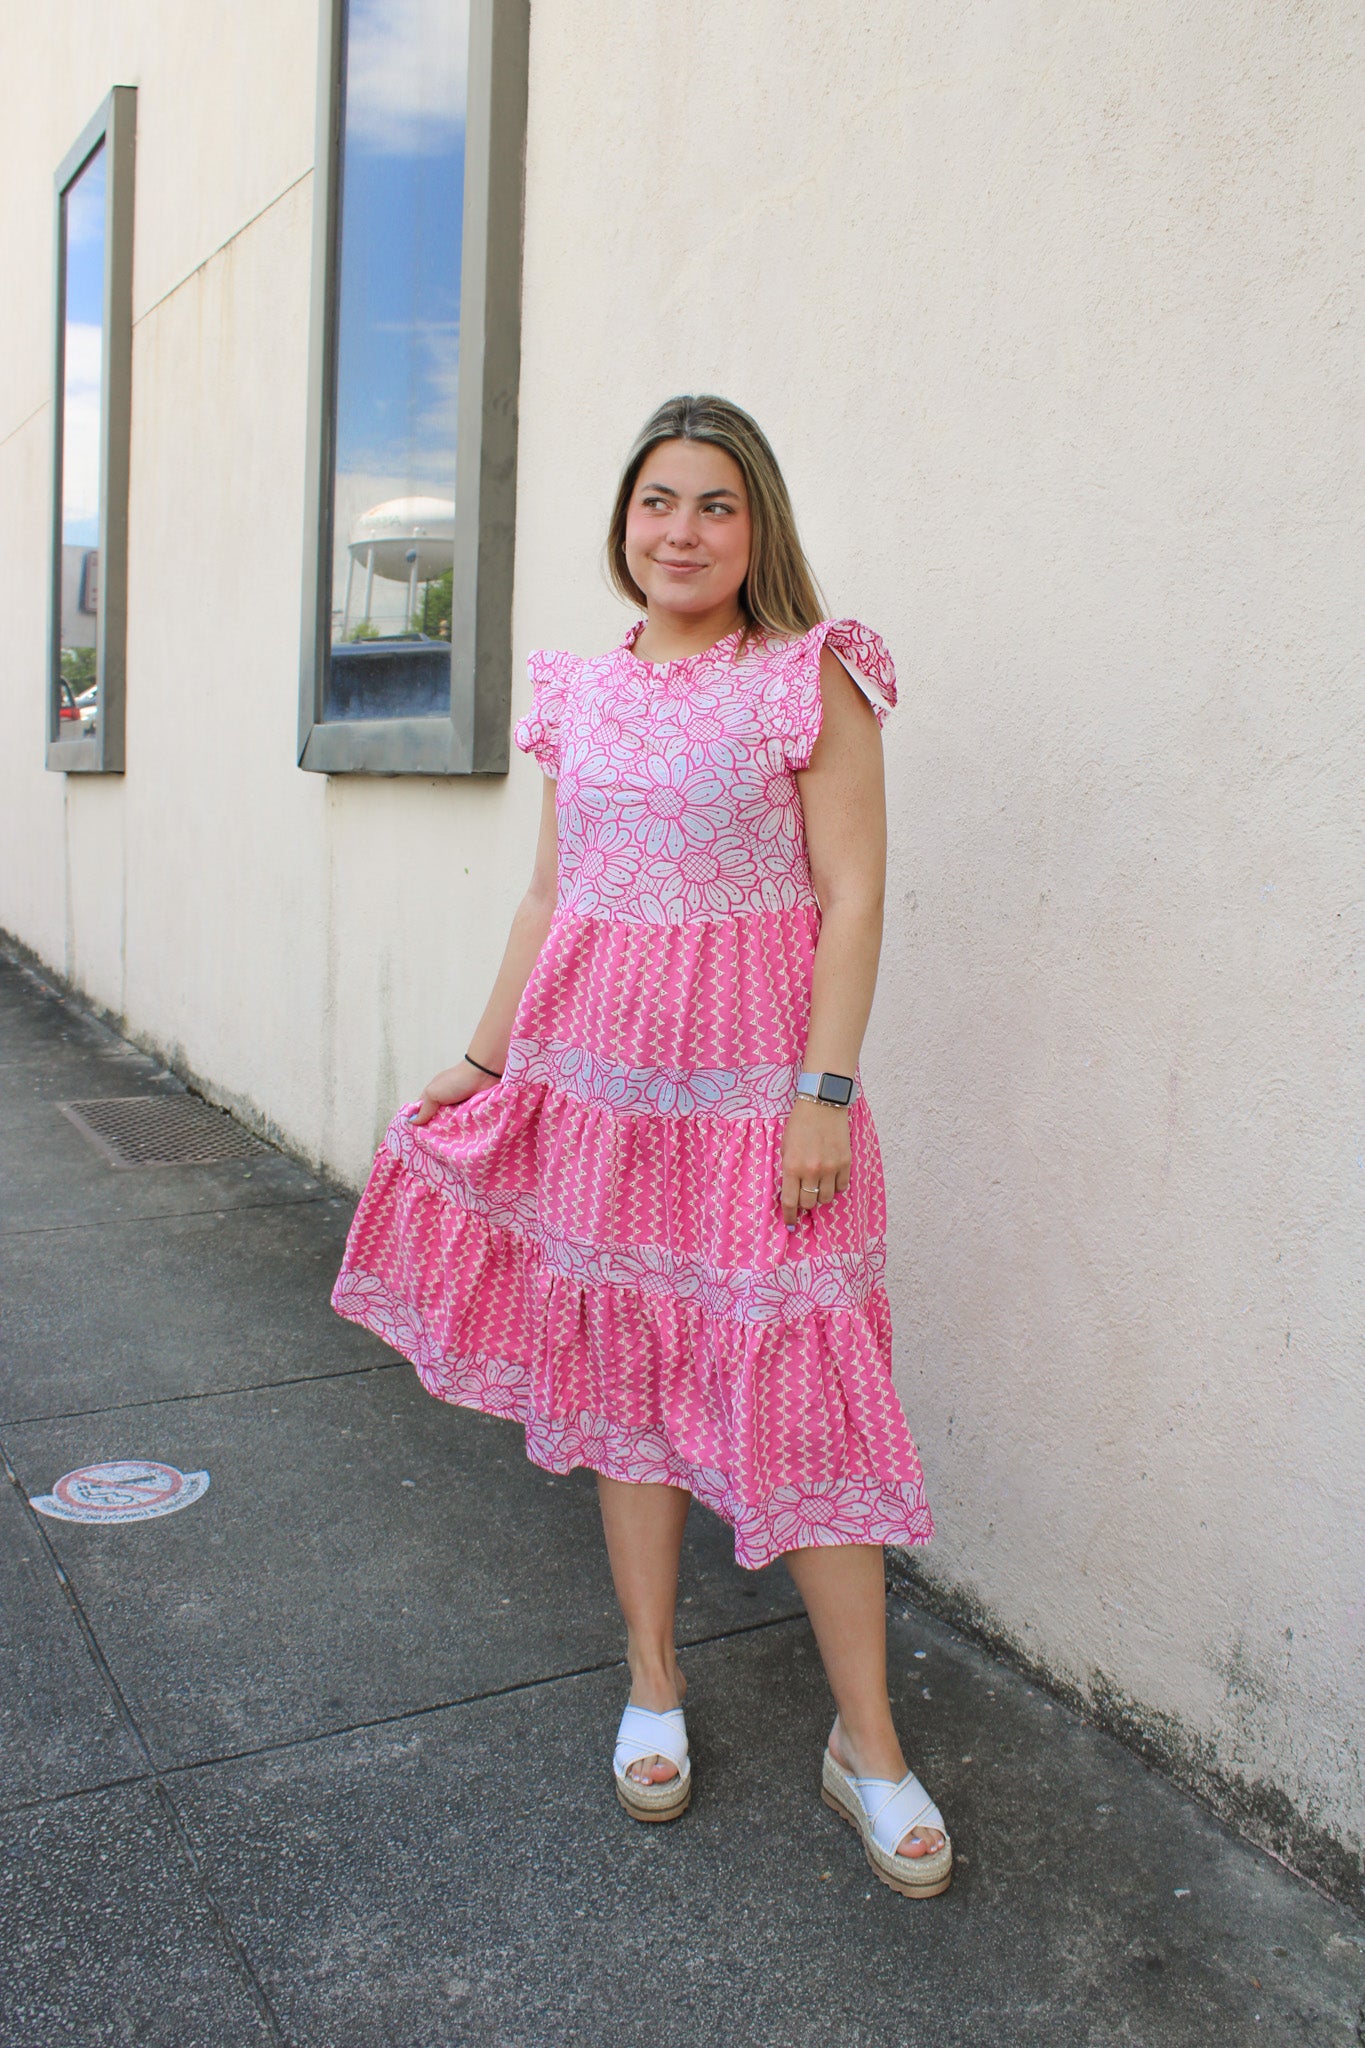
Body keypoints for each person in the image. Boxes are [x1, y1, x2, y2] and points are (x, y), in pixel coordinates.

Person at [332, 394, 952, 1898]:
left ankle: (865, 1745)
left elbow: (853, 895)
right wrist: (486, 1058)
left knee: (804, 1394)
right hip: (599, 1081)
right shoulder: (577, 691)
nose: (680, 530)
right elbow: (554, 894)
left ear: (759, 531)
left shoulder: (812, 677)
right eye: (657, 500)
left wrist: (825, 1090)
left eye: (715, 506)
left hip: (757, 1094)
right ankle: (653, 1682)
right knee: (625, 1387)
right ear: (624, 519)